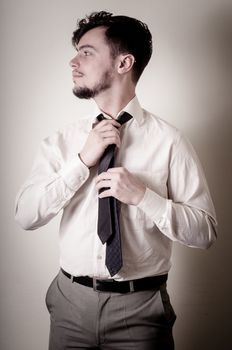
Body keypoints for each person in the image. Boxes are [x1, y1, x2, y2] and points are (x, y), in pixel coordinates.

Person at [15, 11, 217, 350]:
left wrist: (144, 197)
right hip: (69, 305)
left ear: (124, 63)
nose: (73, 61)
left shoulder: (169, 141)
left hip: (140, 310)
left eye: (86, 52)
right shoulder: (62, 141)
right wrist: (82, 162)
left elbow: (206, 232)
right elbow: (25, 216)